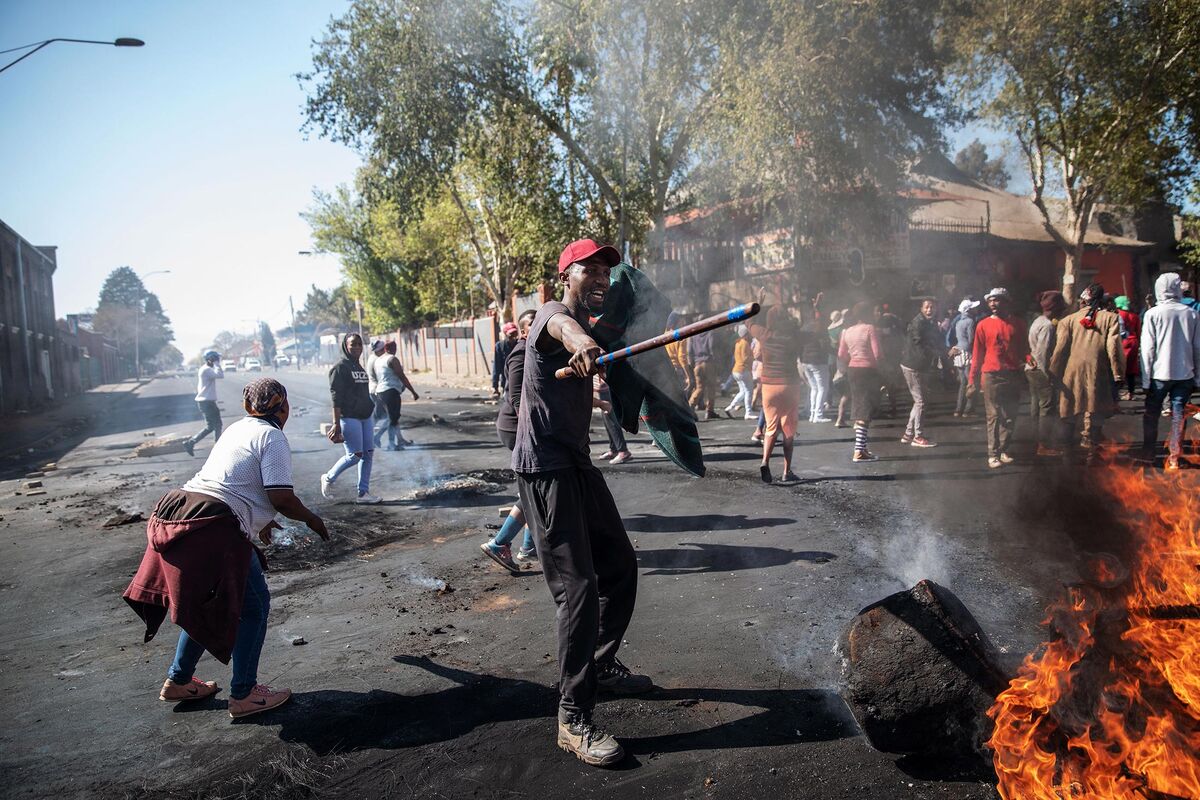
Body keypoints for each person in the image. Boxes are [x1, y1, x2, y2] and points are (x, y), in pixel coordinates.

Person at [512, 238, 650, 768]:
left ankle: (599, 663)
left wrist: (601, 381)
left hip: (575, 463)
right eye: (588, 269)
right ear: (565, 273)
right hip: (544, 470)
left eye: (604, 273)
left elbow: (573, 367)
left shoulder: (589, 329)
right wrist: (578, 341)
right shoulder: (552, 315)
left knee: (619, 566)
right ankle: (573, 717)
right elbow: (558, 330)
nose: (598, 278)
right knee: (578, 589)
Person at [124, 378, 329, 719]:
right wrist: (311, 519)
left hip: (179, 511)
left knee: (208, 603)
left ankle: (179, 680)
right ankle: (244, 694)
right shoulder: (272, 435)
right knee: (253, 606)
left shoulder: (237, 428)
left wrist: (260, 520)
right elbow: (281, 497)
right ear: (283, 407)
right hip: (213, 526)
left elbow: (234, 480)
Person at [482, 309, 539, 572]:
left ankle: (528, 546)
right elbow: (517, 398)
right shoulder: (521, 352)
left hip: (525, 428)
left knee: (534, 487)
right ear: (524, 330)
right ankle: (501, 542)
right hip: (517, 428)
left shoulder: (536, 349)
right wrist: (531, 429)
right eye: (533, 324)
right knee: (534, 487)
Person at [1049, 283, 1123, 456]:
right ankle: (1091, 446)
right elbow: (1113, 349)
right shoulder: (1110, 318)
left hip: (1071, 372)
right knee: (1095, 409)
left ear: (1083, 300)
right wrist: (1118, 373)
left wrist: (1053, 374)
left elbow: (1059, 351)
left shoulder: (1067, 321)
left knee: (1070, 410)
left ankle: (1067, 452)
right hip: (1098, 371)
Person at [1140, 272, 1200, 470]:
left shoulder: (1152, 314)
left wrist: (1146, 380)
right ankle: (1174, 457)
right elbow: (1197, 347)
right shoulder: (1191, 313)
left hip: (1159, 374)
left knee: (1151, 415)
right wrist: (1198, 376)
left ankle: (1148, 454)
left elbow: (1147, 349)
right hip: (1185, 374)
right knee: (1178, 417)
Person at [970, 288, 1028, 469]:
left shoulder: (1018, 324)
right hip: (991, 375)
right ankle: (992, 454)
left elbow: (1024, 349)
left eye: (997, 300)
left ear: (1006, 302)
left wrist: (1028, 360)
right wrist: (972, 379)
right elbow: (977, 354)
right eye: (990, 301)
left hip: (1012, 373)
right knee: (993, 415)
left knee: (1010, 415)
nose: (993, 304)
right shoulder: (982, 325)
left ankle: (1003, 449)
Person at [320, 333, 382, 504]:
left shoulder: (358, 367)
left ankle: (363, 494)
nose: (356, 347)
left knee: (368, 454)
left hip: (365, 416)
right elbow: (336, 397)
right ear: (345, 346)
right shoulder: (340, 368)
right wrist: (336, 423)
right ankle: (329, 478)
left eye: (359, 344)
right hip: (349, 417)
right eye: (352, 344)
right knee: (355, 455)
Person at [749, 295, 802, 482]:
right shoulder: (793, 336)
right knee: (789, 428)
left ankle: (765, 461)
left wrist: (757, 303)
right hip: (790, 384)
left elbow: (749, 323)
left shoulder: (764, 334)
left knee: (771, 427)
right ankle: (787, 472)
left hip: (769, 385)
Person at [838, 302, 883, 462]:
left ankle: (862, 448)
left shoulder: (847, 331)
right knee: (865, 409)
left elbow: (841, 354)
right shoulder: (870, 328)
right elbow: (877, 354)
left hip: (853, 370)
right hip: (868, 371)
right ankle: (858, 451)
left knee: (859, 406)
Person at [1026, 291, 1067, 457]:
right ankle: (1044, 444)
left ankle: (1035, 440)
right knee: (1047, 408)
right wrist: (1048, 376)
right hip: (1040, 370)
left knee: (1036, 407)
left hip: (1031, 370)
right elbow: (1043, 353)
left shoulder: (1038, 320)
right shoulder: (1048, 326)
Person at [899, 299, 943, 448]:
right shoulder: (918, 323)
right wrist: (937, 351)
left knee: (918, 401)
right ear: (921, 309)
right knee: (921, 402)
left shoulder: (929, 323)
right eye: (927, 307)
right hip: (913, 365)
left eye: (932, 307)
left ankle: (908, 434)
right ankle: (917, 436)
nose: (930, 310)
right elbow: (920, 342)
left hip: (919, 365)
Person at [374, 341, 419, 450]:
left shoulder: (378, 360)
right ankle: (389, 443)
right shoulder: (392, 359)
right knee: (393, 419)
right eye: (395, 347)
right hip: (391, 391)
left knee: (391, 418)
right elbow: (402, 377)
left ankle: (389, 440)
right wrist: (413, 392)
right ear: (392, 348)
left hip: (380, 392)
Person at [183, 350, 224, 457]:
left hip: (206, 402)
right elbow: (220, 375)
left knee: (212, 426)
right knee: (217, 425)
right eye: (216, 359)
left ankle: (191, 442)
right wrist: (217, 364)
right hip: (206, 402)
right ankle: (218, 448)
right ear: (210, 359)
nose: (217, 360)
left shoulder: (206, 369)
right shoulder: (206, 370)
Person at [799, 314, 832, 423]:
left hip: (805, 362)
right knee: (823, 388)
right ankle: (818, 415)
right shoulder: (820, 333)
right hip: (819, 362)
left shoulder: (804, 333)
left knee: (814, 388)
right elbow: (825, 347)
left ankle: (812, 414)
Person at [951, 299, 980, 417]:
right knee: (971, 382)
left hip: (958, 352)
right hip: (967, 353)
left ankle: (958, 409)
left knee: (963, 383)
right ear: (969, 310)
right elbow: (971, 339)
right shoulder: (970, 321)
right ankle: (969, 410)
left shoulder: (958, 322)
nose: (976, 309)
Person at [724, 324, 755, 419]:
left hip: (736, 370)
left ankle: (730, 407)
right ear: (746, 334)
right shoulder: (745, 343)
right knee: (749, 391)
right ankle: (748, 412)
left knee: (742, 391)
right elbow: (745, 358)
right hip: (743, 369)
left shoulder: (737, 342)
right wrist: (753, 357)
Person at [687, 328, 719, 419]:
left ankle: (690, 406)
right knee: (711, 388)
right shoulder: (710, 332)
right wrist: (715, 360)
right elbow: (711, 347)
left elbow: (689, 351)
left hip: (697, 364)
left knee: (699, 388)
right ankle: (710, 411)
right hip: (708, 362)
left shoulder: (692, 335)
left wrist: (692, 364)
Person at [1114, 295, 1141, 400]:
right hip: (1133, 342)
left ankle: (1117, 393)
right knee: (1131, 369)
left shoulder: (1117, 314)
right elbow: (1138, 331)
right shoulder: (1134, 316)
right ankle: (1131, 393)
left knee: (1119, 367)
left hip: (1122, 342)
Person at [366, 339, 389, 448]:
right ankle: (374, 437)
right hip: (379, 391)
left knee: (379, 417)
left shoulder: (372, 358)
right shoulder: (378, 360)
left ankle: (399, 439)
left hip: (373, 390)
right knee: (390, 418)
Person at [492, 322, 519, 398]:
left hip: (519, 379)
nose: (513, 337)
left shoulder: (520, 344)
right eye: (511, 334)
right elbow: (496, 367)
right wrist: (495, 387)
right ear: (506, 334)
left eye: (515, 333)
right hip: (506, 380)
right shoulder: (500, 346)